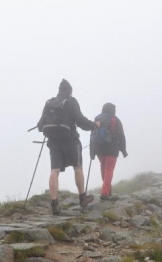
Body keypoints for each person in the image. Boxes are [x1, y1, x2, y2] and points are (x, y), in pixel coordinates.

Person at [37, 79, 99, 215]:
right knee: (77, 167)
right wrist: (94, 125)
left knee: (54, 171)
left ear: (59, 91)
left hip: (53, 142)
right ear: (70, 91)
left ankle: (54, 203)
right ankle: (83, 198)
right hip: (70, 140)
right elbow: (81, 121)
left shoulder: (49, 103)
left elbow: (40, 125)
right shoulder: (71, 101)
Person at [92, 102, 128, 201]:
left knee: (103, 167)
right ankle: (104, 193)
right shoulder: (115, 119)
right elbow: (121, 135)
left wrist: (92, 151)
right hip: (112, 148)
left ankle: (107, 190)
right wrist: (123, 149)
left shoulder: (97, 119)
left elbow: (93, 135)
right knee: (109, 169)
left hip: (99, 148)